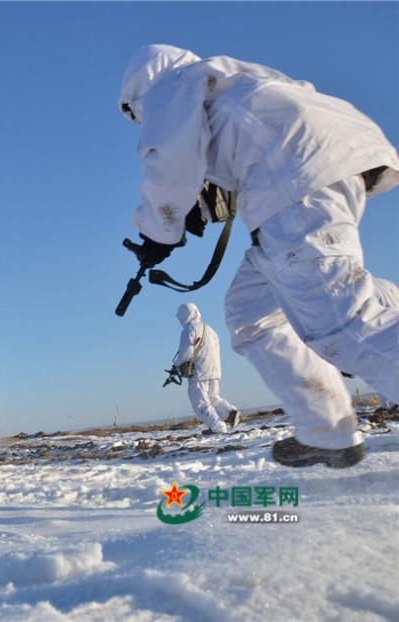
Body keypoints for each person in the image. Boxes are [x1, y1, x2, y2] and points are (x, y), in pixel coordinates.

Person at [119, 45, 399, 468]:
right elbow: (245, 145)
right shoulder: (224, 80)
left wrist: (159, 232)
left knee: (340, 323)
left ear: (139, 93)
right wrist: (201, 205)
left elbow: (169, 165)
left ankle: (332, 421)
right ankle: (326, 430)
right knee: (250, 313)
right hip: (334, 158)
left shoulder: (168, 88)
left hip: (293, 182)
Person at [173, 303, 240, 434]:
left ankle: (218, 427)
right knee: (213, 398)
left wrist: (176, 363)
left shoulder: (189, 329)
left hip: (199, 372)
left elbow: (186, 354)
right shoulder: (211, 330)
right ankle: (230, 414)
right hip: (214, 371)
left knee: (200, 403)